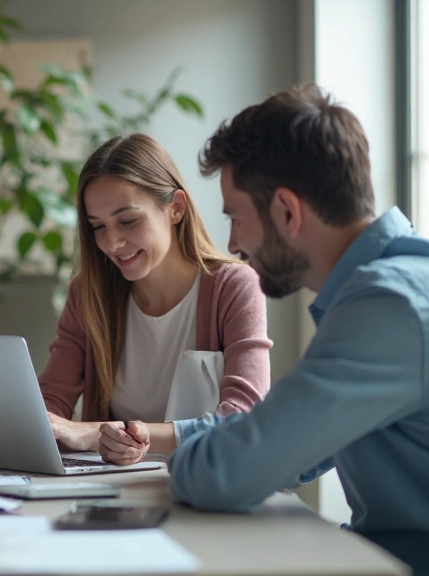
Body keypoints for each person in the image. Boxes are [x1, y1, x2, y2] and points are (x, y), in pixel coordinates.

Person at [161, 85, 429, 573]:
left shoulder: (387, 306)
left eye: (236, 219)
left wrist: (192, 458)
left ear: (286, 211)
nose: (233, 244)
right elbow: (293, 444)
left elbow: (225, 474)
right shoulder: (396, 286)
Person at [37, 134, 272, 464]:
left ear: (175, 208)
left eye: (128, 220)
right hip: (110, 491)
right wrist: (42, 425)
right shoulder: (87, 293)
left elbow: (244, 419)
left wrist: (93, 432)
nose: (113, 242)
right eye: (98, 227)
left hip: (202, 492)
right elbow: (50, 404)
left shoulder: (233, 287)